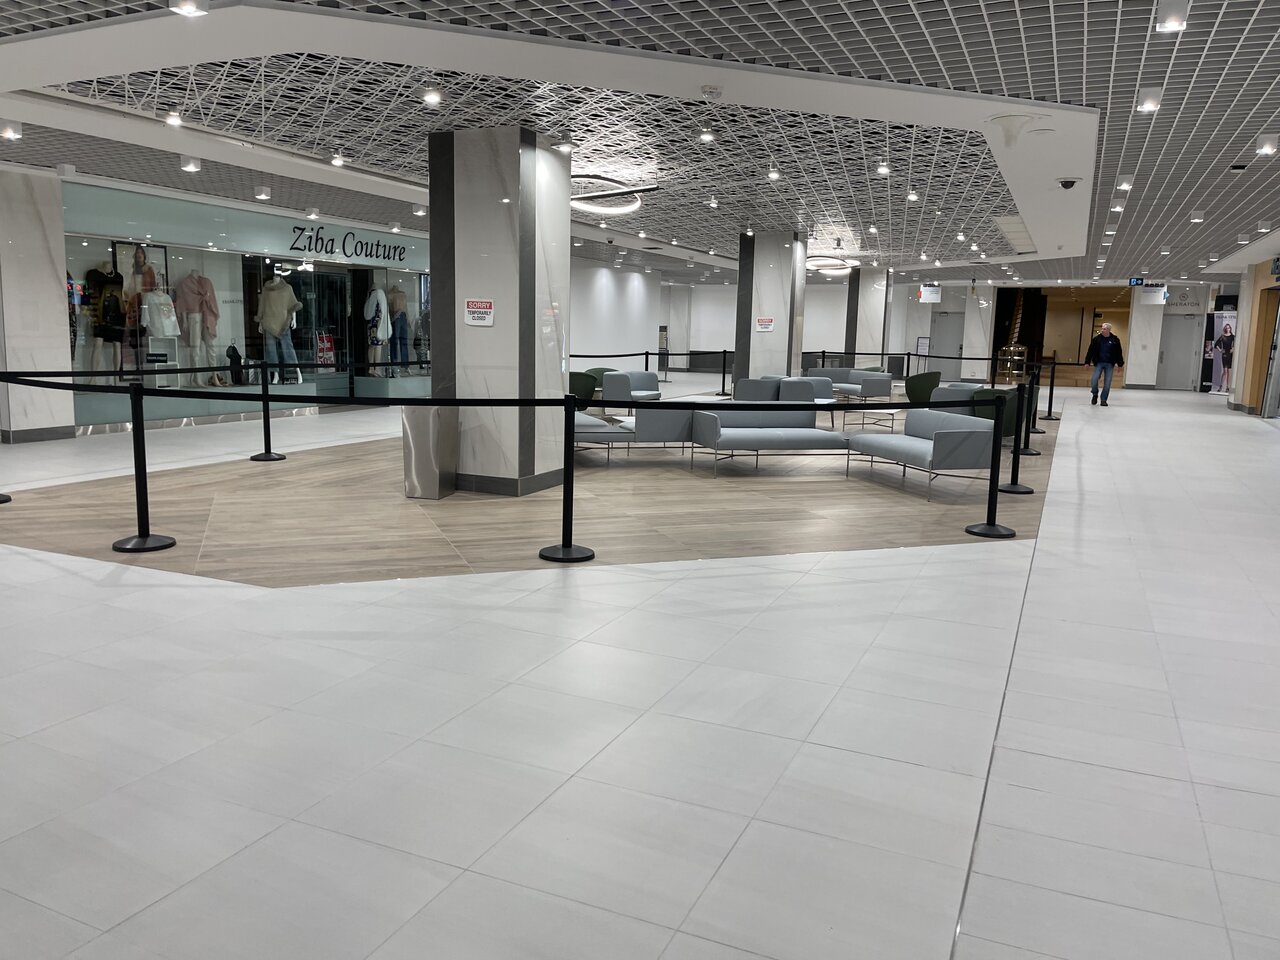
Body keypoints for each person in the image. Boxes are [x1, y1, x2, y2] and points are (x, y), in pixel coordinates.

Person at [1085, 322, 1125, 406]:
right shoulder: (1096, 339)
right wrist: (1087, 362)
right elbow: (1090, 351)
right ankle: (1095, 394)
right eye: (1102, 328)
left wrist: (1120, 364)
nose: (1102, 330)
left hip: (1109, 363)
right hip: (1099, 362)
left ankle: (1103, 399)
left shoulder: (1115, 340)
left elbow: (1118, 352)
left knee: (1107, 383)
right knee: (1094, 379)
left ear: (1109, 330)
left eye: (1104, 329)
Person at [1214, 323, 1235, 393]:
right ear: (1225, 329)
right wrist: (1220, 350)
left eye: (1229, 328)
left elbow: (1235, 344)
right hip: (1225, 354)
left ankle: (1227, 387)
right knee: (1225, 371)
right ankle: (1221, 386)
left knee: (1229, 371)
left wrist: (1233, 348)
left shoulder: (1232, 336)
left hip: (1230, 354)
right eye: (1226, 328)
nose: (1228, 329)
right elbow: (1216, 344)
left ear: (1230, 328)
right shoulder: (1222, 336)